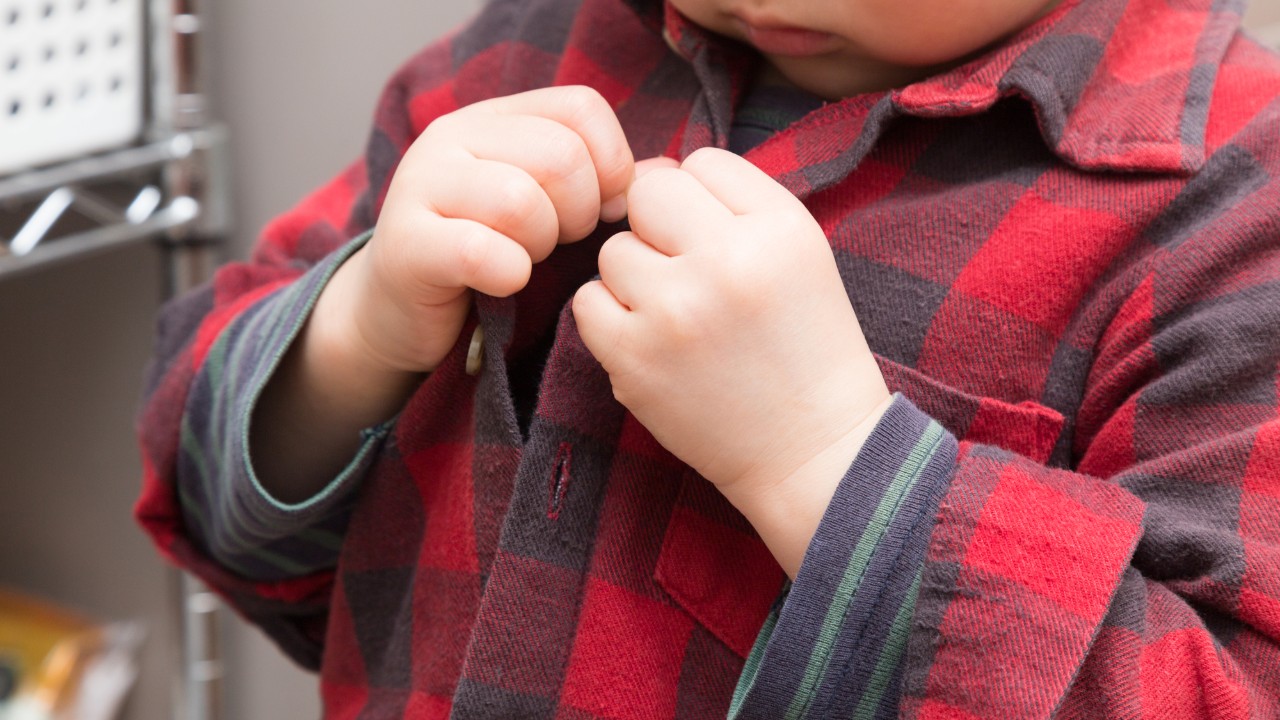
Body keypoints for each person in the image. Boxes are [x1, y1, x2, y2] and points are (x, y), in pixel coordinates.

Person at [136, 0, 1280, 716]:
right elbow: (219, 501)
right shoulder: (517, 54)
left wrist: (821, 458)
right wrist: (361, 330)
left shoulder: (1232, 207)